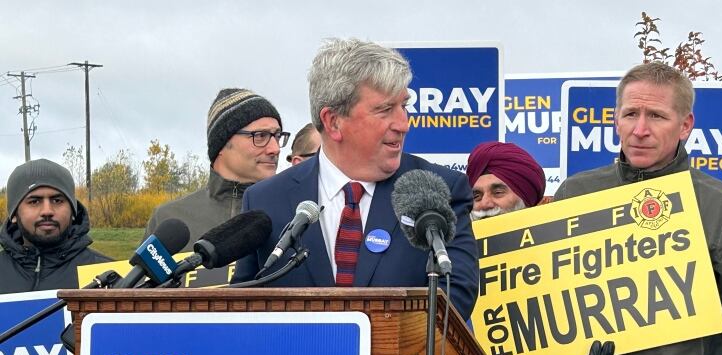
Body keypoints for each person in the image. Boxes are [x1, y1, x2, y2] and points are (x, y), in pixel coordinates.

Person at [553, 62, 722, 355]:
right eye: (630, 114)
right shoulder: (575, 195)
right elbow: (548, 305)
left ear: (685, 125)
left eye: (656, 116)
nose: (640, 130)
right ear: (616, 120)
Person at [232, 38, 479, 319]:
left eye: (404, 106)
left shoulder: (441, 191)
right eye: (385, 110)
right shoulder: (265, 200)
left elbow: (455, 299)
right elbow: (244, 306)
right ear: (333, 122)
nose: (403, 124)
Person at [467, 141, 564, 355]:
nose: (485, 204)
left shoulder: (563, 260)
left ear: (526, 199)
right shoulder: (451, 260)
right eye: (477, 195)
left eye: (498, 192)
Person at [145, 88, 288, 248]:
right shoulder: (168, 218)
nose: (275, 148)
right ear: (222, 143)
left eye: (277, 136)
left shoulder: (294, 214)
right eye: (261, 136)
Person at [0, 159, 111, 293]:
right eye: (34, 201)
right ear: (14, 214)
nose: (47, 211)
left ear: (73, 211)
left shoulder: (107, 274)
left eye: (57, 200)